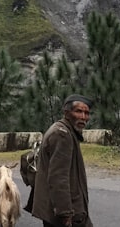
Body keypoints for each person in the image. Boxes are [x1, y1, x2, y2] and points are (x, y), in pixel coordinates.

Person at [32, 94, 93, 227]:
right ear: (67, 113)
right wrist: (65, 214)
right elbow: (58, 178)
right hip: (65, 213)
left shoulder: (66, 131)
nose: (83, 117)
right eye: (78, 111)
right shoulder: (62, 135)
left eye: (86, 113)